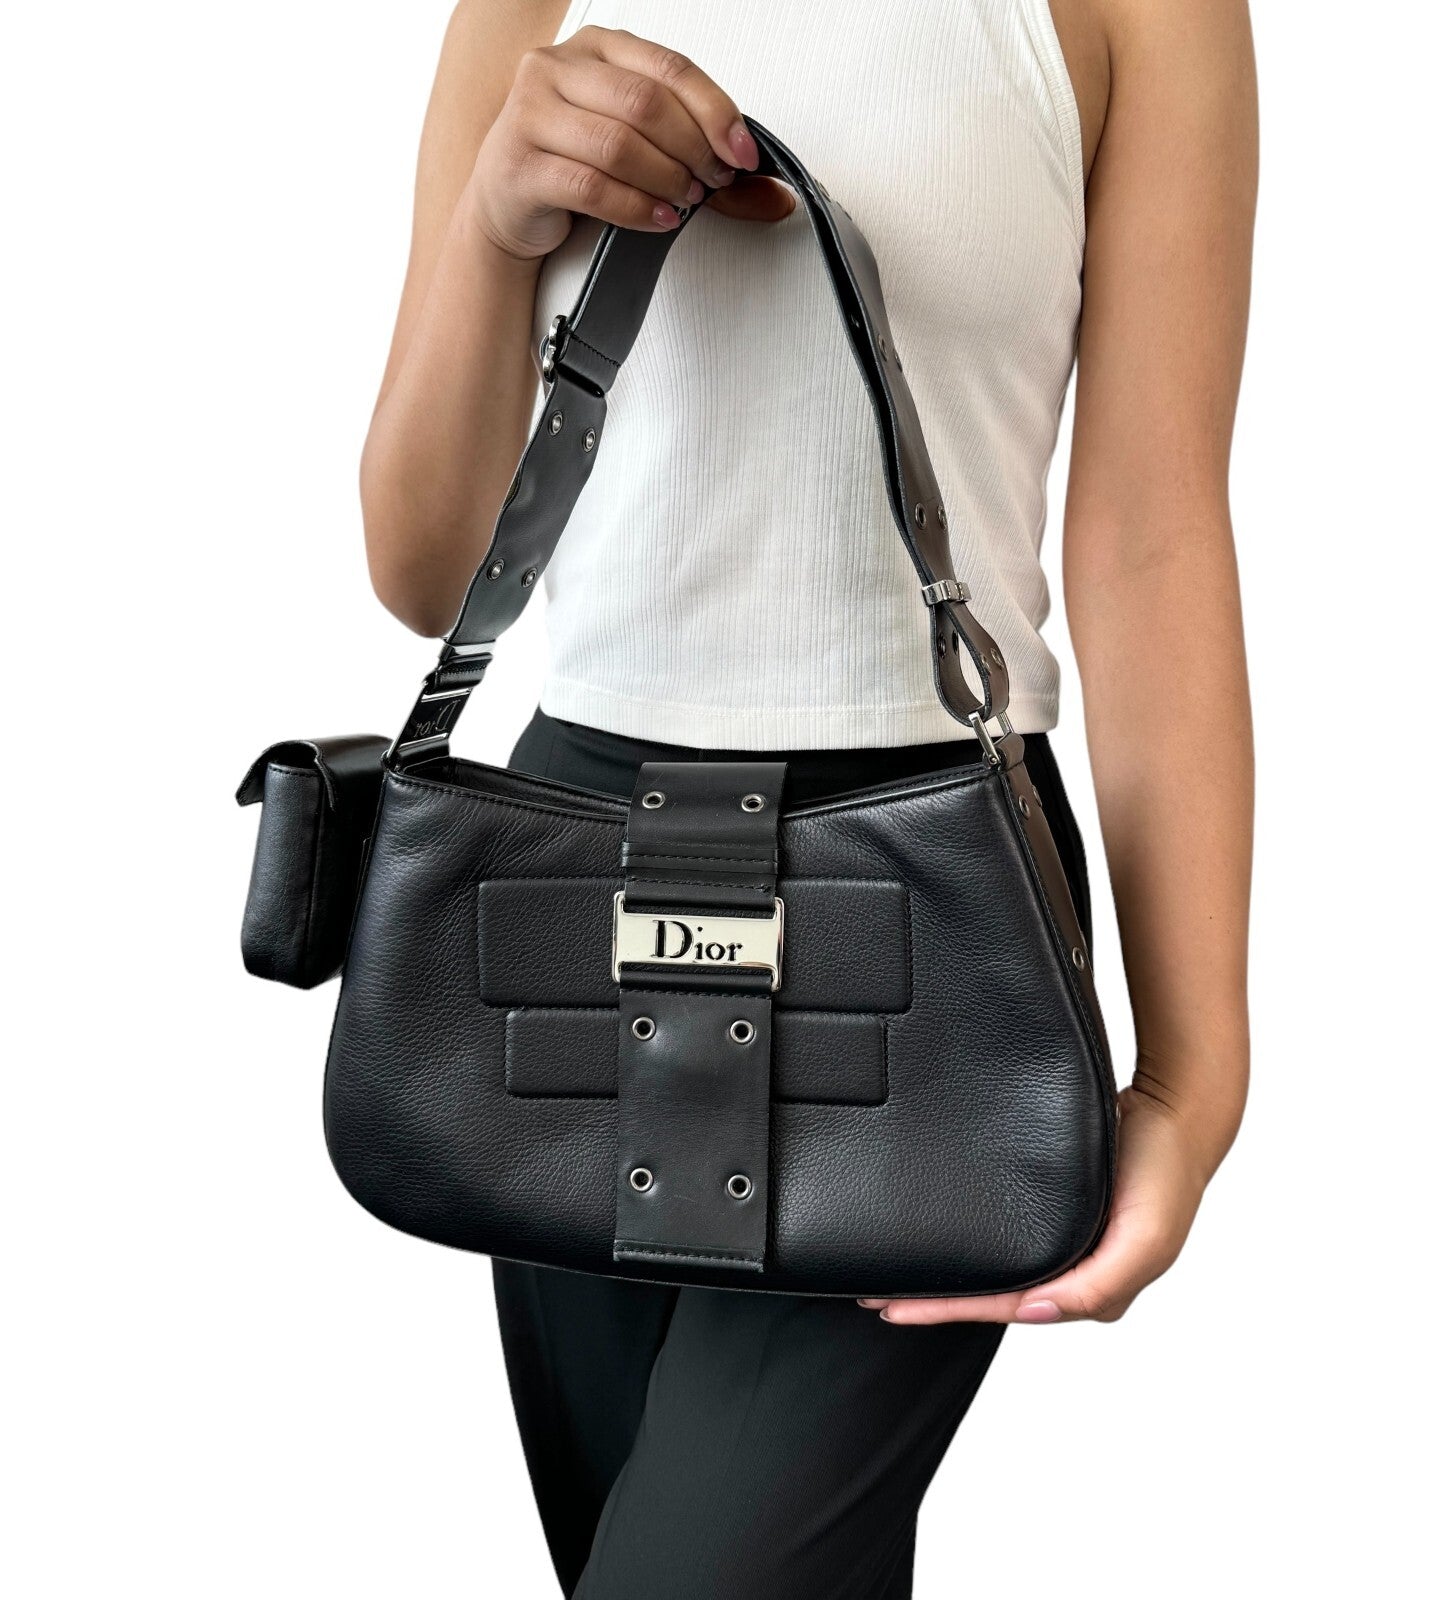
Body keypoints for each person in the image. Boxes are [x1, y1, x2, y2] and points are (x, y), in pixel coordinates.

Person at [358, 1, 1257, 1593]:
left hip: (934, 887)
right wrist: (497, 228)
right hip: (567, 873)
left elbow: (1149, 531)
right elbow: (425, 571)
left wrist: (1195, 1083)